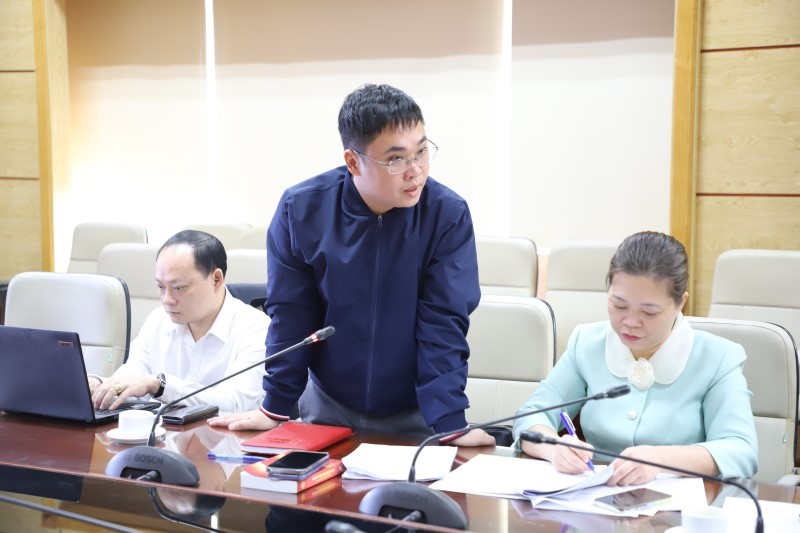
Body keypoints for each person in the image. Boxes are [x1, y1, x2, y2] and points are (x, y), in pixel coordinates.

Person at [210, 83, 493, 447]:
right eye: (396, 159)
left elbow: (444, 323)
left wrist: (450, 421)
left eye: (422, 152)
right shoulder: (301, 210)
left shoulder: (446, 214)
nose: (415, 171)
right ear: (353, 161)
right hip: (328, 404)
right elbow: (292, 314)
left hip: (418, 410)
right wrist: (276, 406)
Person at [513, 231, 757, 485]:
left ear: (680, 303)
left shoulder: (718, 358)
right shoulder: (586, 342)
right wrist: (554, 448)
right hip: (592, 496)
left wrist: (660, 460)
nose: (630, 322)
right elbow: (531, 415)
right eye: (619, 306)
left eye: (649, 312)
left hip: (678, 502)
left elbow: (740, 450)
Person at [89, 230, 270, 413]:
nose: (167, 299)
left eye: (178, 288)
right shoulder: (158, 320)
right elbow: (132, 380)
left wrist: (160, 385)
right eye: (161, 287)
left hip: (224, 432)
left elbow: (237, 403)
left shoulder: (256, 328)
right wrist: (99, 385)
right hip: (161, 431)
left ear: (216, 279)